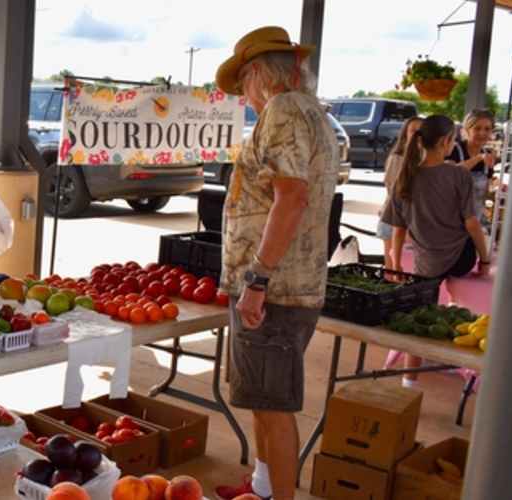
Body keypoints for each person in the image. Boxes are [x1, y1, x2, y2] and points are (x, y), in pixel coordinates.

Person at [213, 26, 338, 500]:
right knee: (262, 401)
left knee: (274, 406)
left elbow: (292, 198)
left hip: (276, 289)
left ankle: (277, 495)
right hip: (284, 285)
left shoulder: (284, 109)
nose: (243, 96)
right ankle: (263, 488)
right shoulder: (311, 112)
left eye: (243, 83)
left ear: (259, 74)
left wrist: (258, 279)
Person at [382, 115, 492, 387]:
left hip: (425, 265)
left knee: (421, 316)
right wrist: (486, 260)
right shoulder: (458, 174)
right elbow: (472, 224)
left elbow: (398, 232)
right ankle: (460, 365)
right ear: (446, 142)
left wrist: (396, 266)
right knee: (458, 314)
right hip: (461, 260)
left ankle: (409, 382)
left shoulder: (405, 179)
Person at [377, 116, 423, 268]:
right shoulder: (397, 159)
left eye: (422, 132)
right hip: (395, 219)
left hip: (415, 221)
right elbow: (395, 194)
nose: (418, 135)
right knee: (393, 271)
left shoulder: (427, 160)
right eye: (413, 131)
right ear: (405, 134)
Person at [447, 109, 498, 231]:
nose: (482, 133)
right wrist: (479, 158)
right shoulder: (454, 149)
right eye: (477, 128)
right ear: (467, 129)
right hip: (450, 220)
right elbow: (450, 173)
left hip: (474, 221)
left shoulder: (488, 155)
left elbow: (484, 192)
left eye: (487, 129)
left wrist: (494, 194)